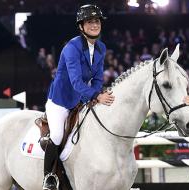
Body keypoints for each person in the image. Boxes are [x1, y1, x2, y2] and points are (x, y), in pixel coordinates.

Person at [42, 4, 115, 190]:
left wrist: (96, 94)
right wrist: (96, 96)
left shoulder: (101, 47)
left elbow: (98, 78)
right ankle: (49, 177)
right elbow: (75, 82)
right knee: (57, 135)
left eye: (97, 21)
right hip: (60, 100)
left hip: (80, 100)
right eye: (90, 21)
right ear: (81, 26)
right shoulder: (71, 48)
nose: (94, 24)